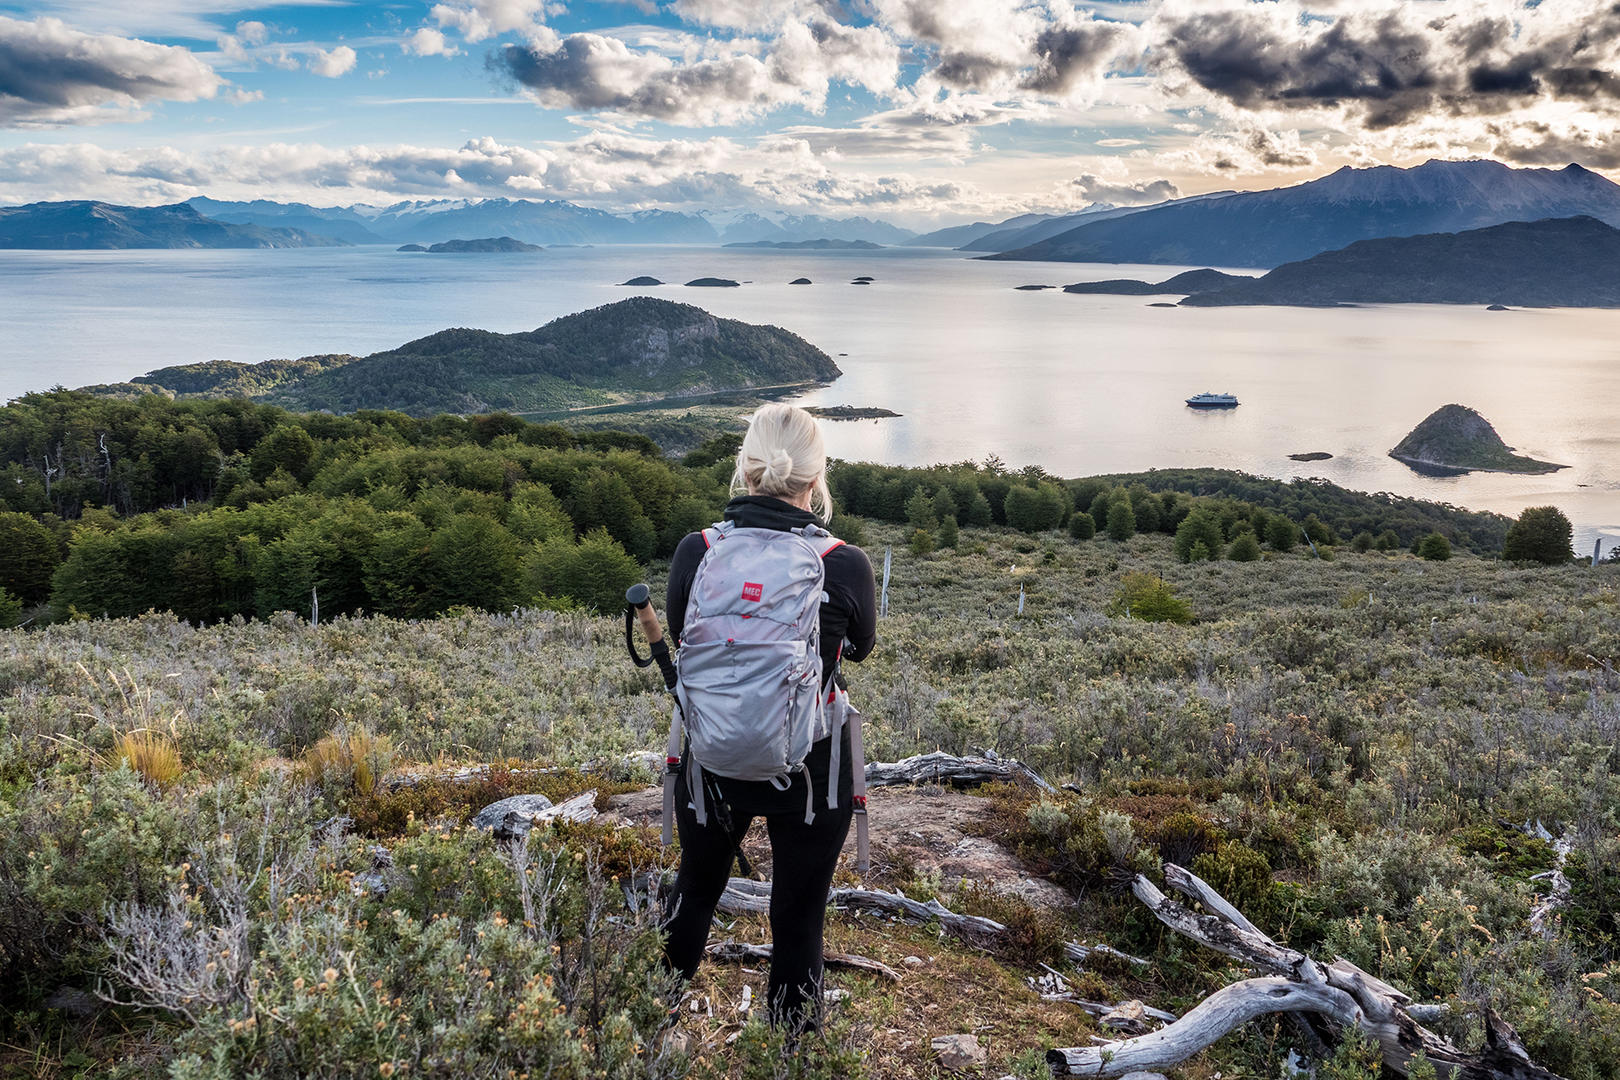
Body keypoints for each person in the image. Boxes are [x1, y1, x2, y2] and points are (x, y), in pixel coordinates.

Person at [662, 402, 877, 1032]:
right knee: (799, 910)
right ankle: (788, 1051)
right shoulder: (845, 563)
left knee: (696, 891)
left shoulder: (696, 551)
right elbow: (857, 649)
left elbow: (685, 639)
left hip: (712, 757)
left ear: (746, 467)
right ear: (816, 477)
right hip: (811, 769)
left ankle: (643, 1023)